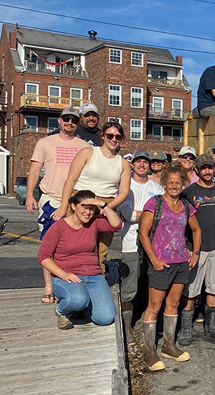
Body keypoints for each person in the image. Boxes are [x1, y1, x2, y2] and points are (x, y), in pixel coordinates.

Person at [139, 165, 202, 371]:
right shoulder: (155, 203)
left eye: (178, 182)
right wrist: (154, 260)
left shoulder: (185, 205)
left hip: (181, 261)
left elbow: (196, 229)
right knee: (154, 306)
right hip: (161, 262)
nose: (174, 186)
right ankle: (149, 351)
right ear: (164, 183)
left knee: (173, 303)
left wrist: (195, 253)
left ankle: (168, 345)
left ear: (183, 183)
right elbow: (143, 234)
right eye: (170, 182)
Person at [26, 106, 89, 304]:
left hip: (75, 200)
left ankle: (73, 282)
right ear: (59, 121)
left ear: (78, 123)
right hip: (51, 198)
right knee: (49, 244)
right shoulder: (44, 142)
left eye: (74, 120)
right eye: (66, 119)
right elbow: (35, 171)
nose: (70, 123)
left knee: (76, 244)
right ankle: (48, 286)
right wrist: (30, 194)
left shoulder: (84, 146)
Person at [37, 190, 122, 329]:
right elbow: (43, 256)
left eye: (92, 209)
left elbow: (116, 225)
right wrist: (63, 274)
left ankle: (85, 304)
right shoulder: (58, 227)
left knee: (105, 318)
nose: (88, 212)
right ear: (73, 206)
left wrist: (102, 204)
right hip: (67, 277)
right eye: (84, 207)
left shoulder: (94, 223)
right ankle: (62, 311)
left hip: (94, 276)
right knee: (77, 300)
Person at [55, 122, 131, 268]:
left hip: (107, 203)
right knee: (74, 244)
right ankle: (68, 280)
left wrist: (107, 207)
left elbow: (124, 192)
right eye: (110, 135)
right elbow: (71, 180)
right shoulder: (87, 152)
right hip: (82, 200)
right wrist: (63, 206)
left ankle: (97, 281)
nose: (114, 139)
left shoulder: (123, 163)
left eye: (118, 136)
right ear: (102, 136)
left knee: (101, 250)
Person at [179, 155, 215, 344]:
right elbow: (183, 223)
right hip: (196, 249)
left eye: (210, 168)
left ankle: (212, 326)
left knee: (214, 288)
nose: (207, 171)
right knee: (191, 289)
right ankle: (186, 329)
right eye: (203, 168)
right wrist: (187, 247)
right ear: (197, 170)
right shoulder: (188, 193)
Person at [117, 150, 165, 337]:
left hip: (155, 244)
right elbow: (126, 214)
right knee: (129, 287)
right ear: (132, 164)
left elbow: (163, 214)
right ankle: (127, 326)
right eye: (139, 162)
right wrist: (150, 215)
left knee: (153, 283)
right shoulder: (125, 187)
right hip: (130, 243)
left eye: (145, 162)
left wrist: (141, 215)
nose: (142, 165)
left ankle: (151, 321)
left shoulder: (157, 187)